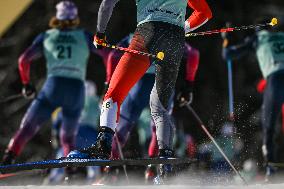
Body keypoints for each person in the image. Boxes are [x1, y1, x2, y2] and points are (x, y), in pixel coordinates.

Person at [69, 0, 212, 179]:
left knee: (114, 93)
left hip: (148, 32)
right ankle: (164, 161)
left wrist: (100, 34)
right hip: (175, 38)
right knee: (160, 108)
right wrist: (182, 28)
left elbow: (107, 4)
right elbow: (204, 13)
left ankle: (103, 146)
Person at [1, 1, 110, 165]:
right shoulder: (84, 36)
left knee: (27, 128)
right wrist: (108, 81)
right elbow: (108, 55)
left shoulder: (47, 36)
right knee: (67, 137)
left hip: (53, 86)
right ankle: (70, 169)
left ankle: (8, 158)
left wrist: (27, 84)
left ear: (57, 18)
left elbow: (23, 60)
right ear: (75, 19)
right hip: (76, 90)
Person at [223, 19, 284, 180]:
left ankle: (271, 171)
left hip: (275, 80)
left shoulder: (258, 37)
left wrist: (226, 39)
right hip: (276, 78)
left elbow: (228, 54)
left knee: (268, 128)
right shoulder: (281, 35)